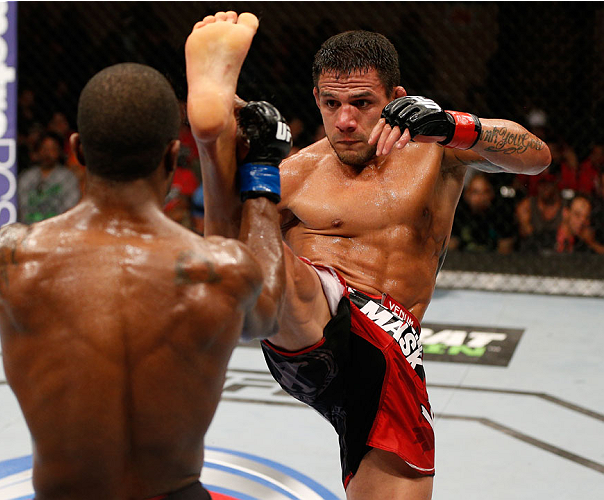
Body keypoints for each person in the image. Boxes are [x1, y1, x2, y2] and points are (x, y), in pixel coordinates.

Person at [188, 16, 551, 500]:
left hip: (387, 355)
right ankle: (216, 139)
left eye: (362, 103)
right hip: (309, 321)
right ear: (315, 98)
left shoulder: (435, 153)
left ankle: (218, 143)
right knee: (277, 275)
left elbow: (535, 156)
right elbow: (225, 263)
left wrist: (453, 126)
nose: (345, 120)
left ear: (395, 97)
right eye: (331, 103)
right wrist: (243, 168)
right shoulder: (294, 174)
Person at [0, 55, 289, 499]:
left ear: (78, 150)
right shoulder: (223, 270)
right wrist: (262, 171)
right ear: (171, 153)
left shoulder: (13, 255)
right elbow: (268, 315)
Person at [17, 131, 81, 223]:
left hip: (57, 230)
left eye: (52, 149)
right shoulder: (26, 177)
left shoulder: (68, 178)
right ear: (37, 152)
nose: (47, 153)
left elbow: (71, 209)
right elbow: (21, 208)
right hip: (29, 230)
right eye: (44, 148)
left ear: (59, 152)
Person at [450, 173, 515, 253]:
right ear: (466, 194)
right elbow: (451, 247)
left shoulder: (501, 214)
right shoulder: (457, 214)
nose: (481, 197)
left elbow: (505, 247)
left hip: (495, 262)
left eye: (486, 192)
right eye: (475, 192)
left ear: (492, 194)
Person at [515, 174, 562, 253]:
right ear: (538, 186)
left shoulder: (564, 206)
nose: (545, 188)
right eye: (542, 185)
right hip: (532, 250)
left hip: (558, 249)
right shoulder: (527, 205)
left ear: (555, 185)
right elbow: (525, 231)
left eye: (549, 185)